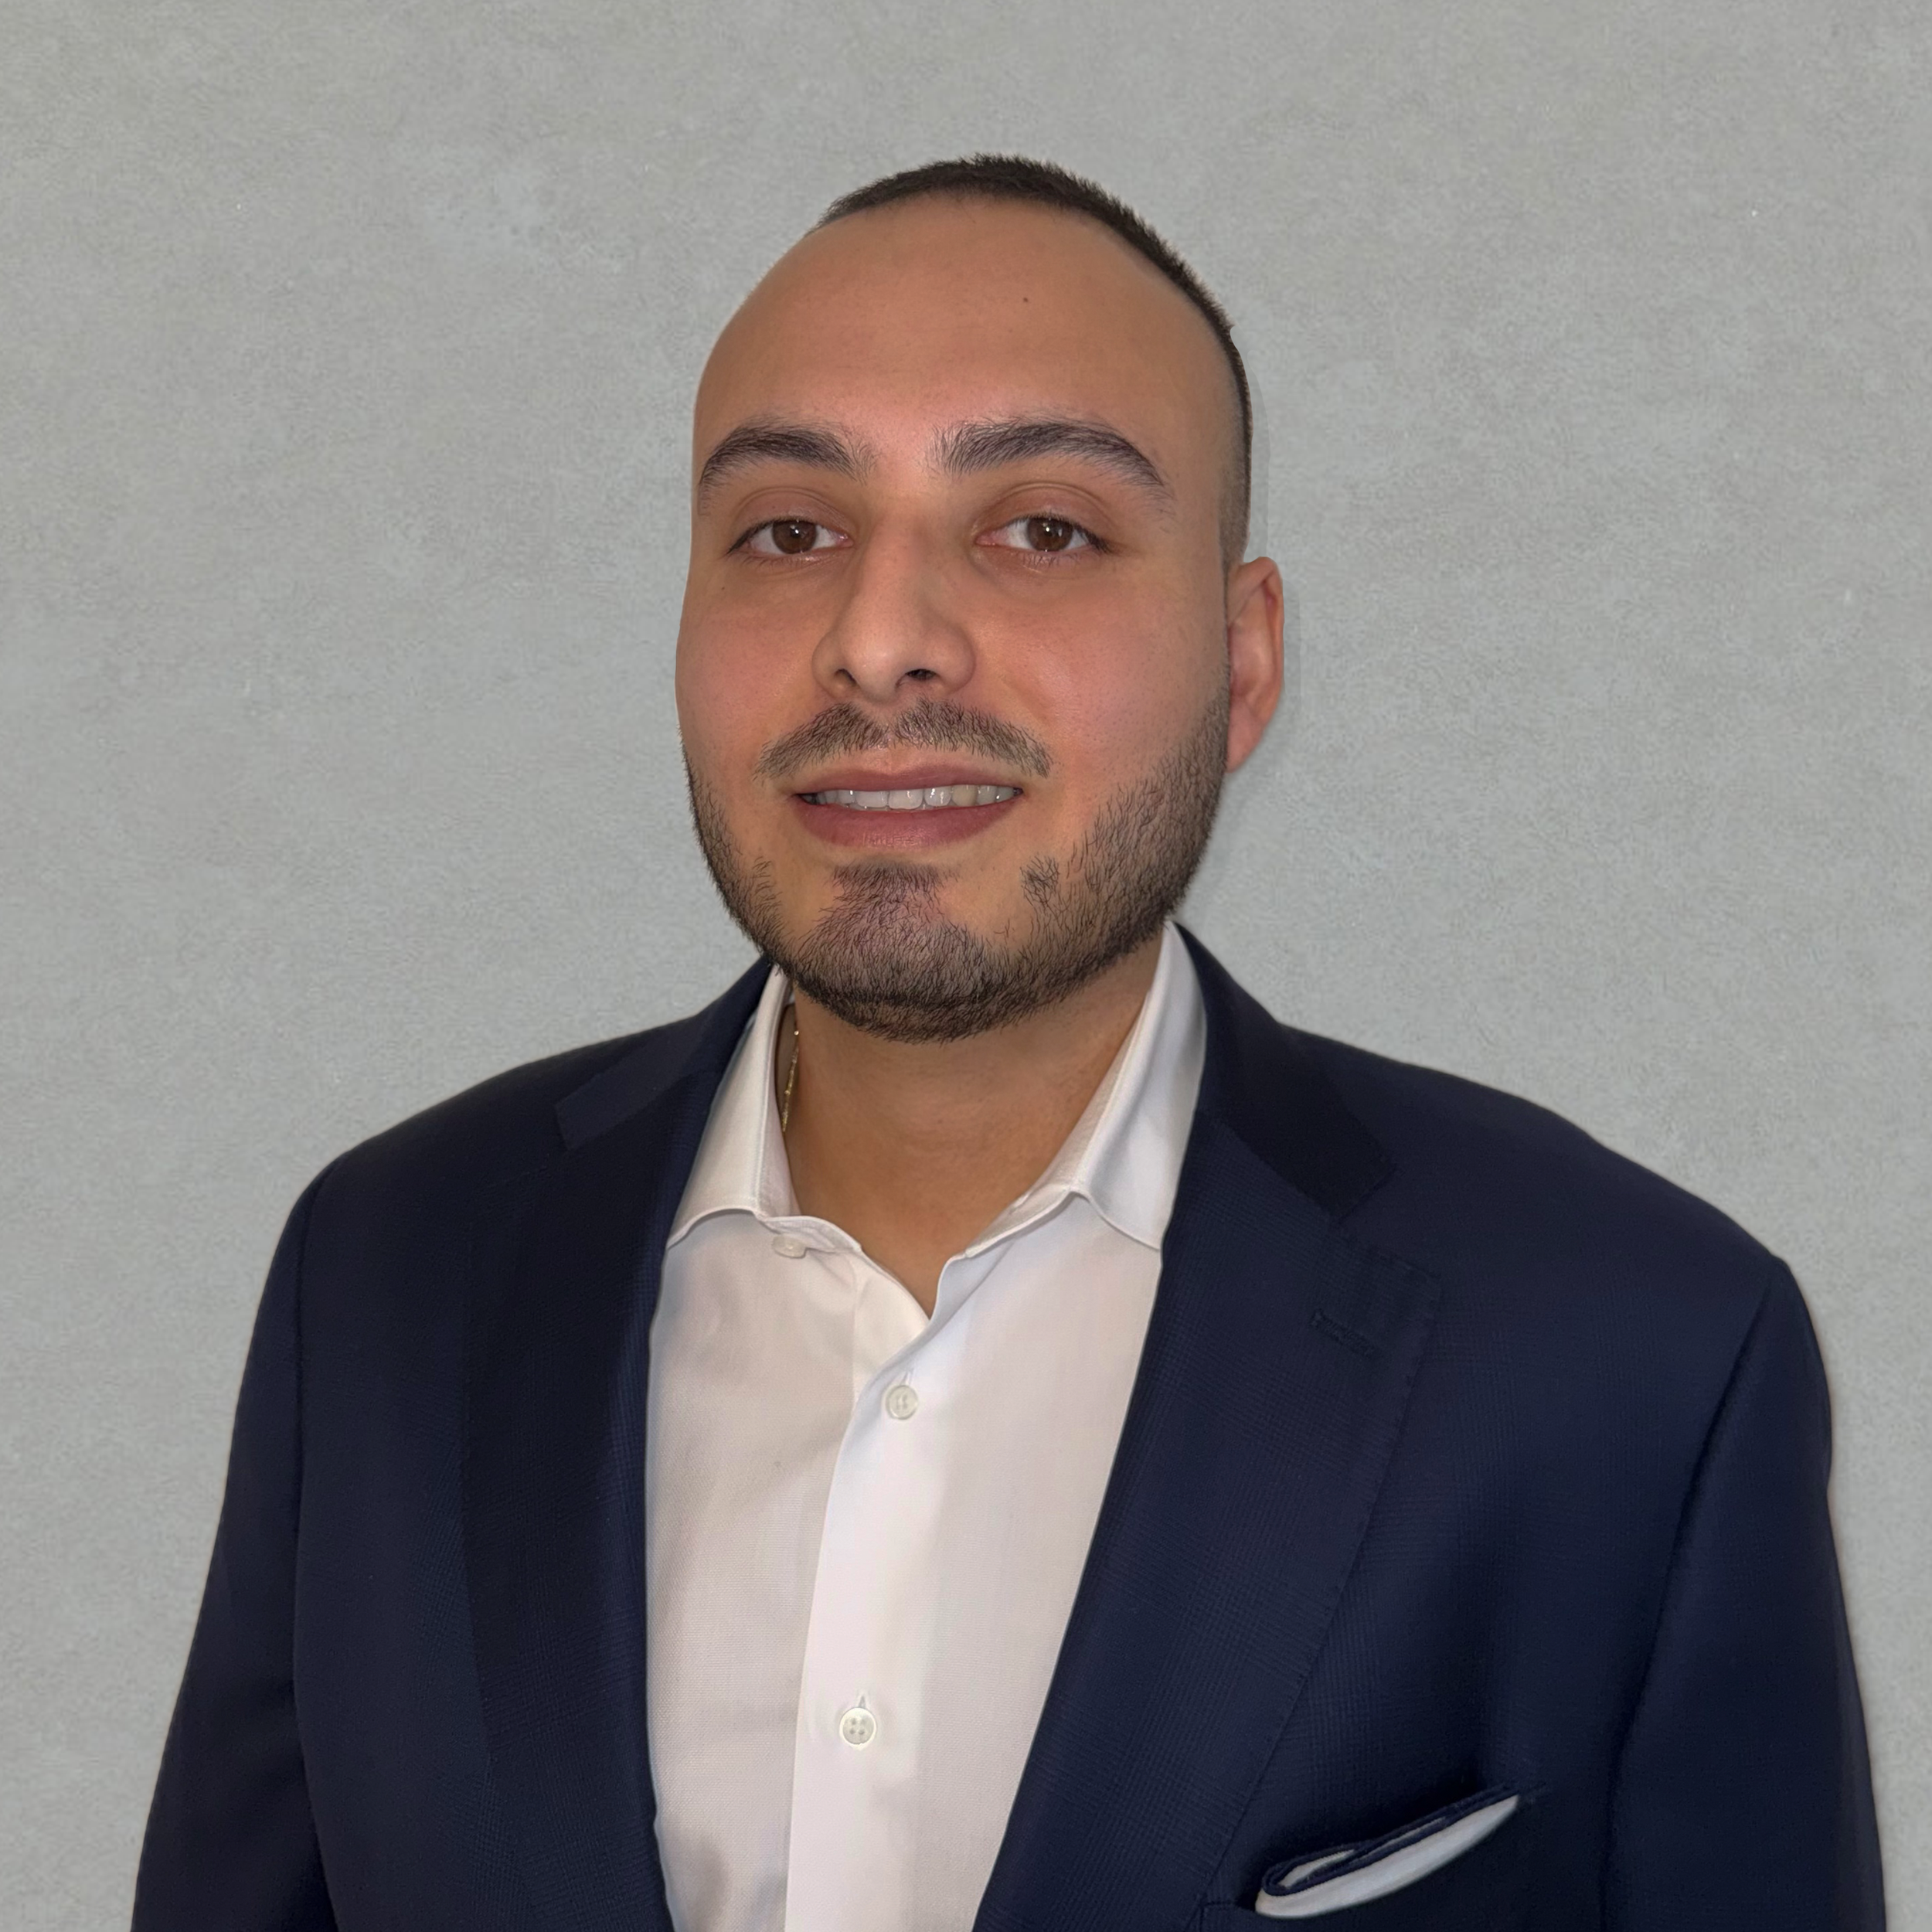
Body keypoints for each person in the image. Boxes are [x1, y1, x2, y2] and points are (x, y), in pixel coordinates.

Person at [133, 155, 1883, 1931]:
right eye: (786, 531)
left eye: (1041, 527)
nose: (880, 641)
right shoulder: (385, 1274)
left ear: (1241, 657)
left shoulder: (1634, 1351)